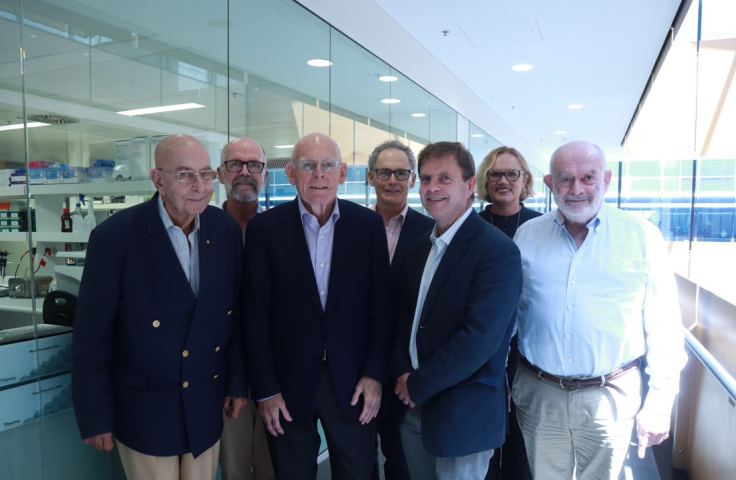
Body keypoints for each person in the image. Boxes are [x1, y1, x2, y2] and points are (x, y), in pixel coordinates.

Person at [72, 134, 247, 480]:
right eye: (184, 174)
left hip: (205, 399)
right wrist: (95, 417)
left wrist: (236, 384)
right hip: (145, 408)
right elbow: (92, 338)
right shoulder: (115, 237)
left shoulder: (224, 229)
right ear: (158, 179)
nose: (199, 186)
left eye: (206, 174)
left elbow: (233, 316)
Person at [513, 140, 687, 480]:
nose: (577, 189)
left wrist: (660, 403)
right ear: (550, 184)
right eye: (565, 179)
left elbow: (665, 325)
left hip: (611, 395)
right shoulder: (527, 236)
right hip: (539, 392)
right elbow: (508, 318)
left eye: (588, 177)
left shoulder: (641, 236)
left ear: (606, 180)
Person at [244, 133, 392, 479]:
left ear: (342, 174)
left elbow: (381, 309)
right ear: (292, 174)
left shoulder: (368, 226)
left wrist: (374, 375)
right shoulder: (264, 229)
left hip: (353, 380)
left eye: (328, 166)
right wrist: (265, 390)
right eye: (308, 167)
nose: (319, 175)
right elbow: (255, 315)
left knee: (357, 471)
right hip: (287, 383)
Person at [392, 141, 522, 480]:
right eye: (426, 178)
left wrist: (417, 384)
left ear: (469, 185)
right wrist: (404, 377)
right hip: (413, 408)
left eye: (445, 178)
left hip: (462, 415)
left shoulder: (496, 251)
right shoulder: (425, 245)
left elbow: (479, 340)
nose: (433, 187)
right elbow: (406, 319)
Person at [367, 140, 434, 480]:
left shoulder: (431, 232)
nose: (392, 180)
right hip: (358, 366)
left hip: (405, 370)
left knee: (402, 461)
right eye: (384, 172)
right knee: (359, 460)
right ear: (370, 177)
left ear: (411, 180)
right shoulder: (351, 227)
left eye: (401, 173)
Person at [476, 146, 541, 480]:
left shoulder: (542, 228)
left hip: (528, 350)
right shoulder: (470, 226)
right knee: (483, 449)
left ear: (524, 179)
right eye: (495, 173)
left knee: (521, 450)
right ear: (485, 180)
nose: (503, 180)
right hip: (482, 347)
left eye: (512, 173)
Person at [217, 137, 275, 480]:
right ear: (220, 173)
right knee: (235, 469)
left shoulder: (279, 233)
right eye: (235, 164)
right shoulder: (202, 232)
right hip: (222, 380)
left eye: (254, 165)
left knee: (274, 468)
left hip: (275, 377)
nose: (244, 172)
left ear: (265, 175)